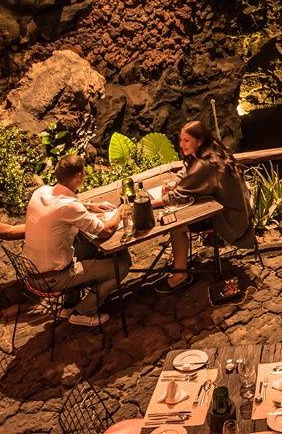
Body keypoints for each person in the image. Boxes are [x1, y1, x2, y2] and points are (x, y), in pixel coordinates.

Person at [24, 154, 131, 326]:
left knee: (80, 246)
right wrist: (120, 211)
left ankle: (69, 305)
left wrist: (88, 206)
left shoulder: (41, 192)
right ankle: (83, 311)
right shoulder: (68, 207)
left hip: (34, 273)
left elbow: (62, 207)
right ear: (79, 176)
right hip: (55, 279)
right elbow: (106, 231)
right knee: (122, 267)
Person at [156, 120, 255, 292]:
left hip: (229, 221)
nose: (182, 144)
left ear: (199, 141)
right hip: (241, 213)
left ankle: (180, 275)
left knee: (176, 226)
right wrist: (175, 181)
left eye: (186, 140)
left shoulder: (206, 164)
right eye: (180, 140)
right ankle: (182, 265)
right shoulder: (214, 152)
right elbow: (187, 172)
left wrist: (150, 203)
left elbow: (178, 195)